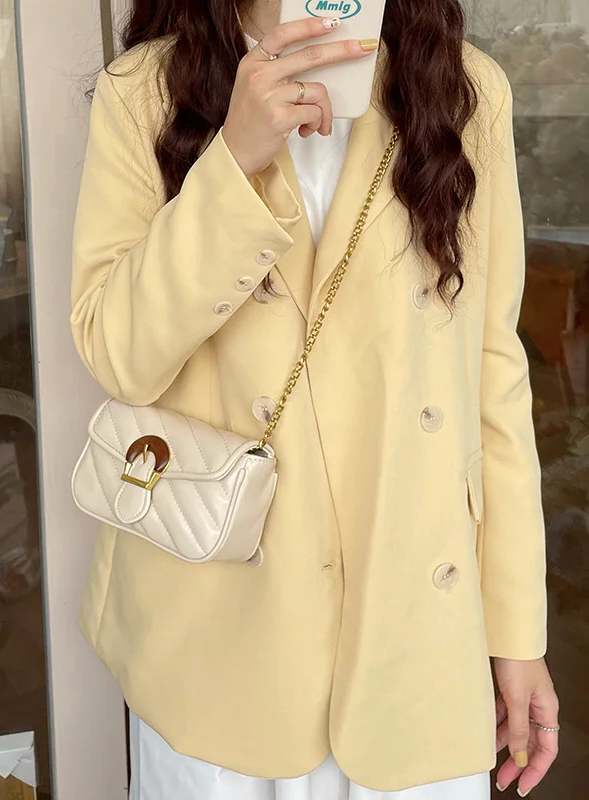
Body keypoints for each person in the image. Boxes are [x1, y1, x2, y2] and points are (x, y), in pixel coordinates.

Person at [69, 0, 560, 797]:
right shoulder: (149, 91)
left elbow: (493, 378)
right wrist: (235, 159)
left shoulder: (464, 92)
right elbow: (117, 353)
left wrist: (516, 633)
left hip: (413, 632)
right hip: (220, 637)